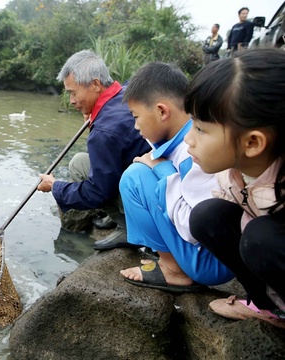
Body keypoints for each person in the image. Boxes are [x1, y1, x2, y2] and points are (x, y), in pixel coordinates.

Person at [185, 48, 285, 328]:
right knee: (207, 216)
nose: (188, 140)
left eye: (201, 129)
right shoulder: (236, 173)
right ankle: (269, 307)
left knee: (260, 238)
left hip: (269, 240)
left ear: (252, 143)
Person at [117, 62, 234, 292]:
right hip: (215, 252)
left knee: (134, 179)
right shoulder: (189, 133)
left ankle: (173, 269)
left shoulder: (194, 150)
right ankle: (173, 261)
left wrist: (161, 169)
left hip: (210, 260)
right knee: (144, 169)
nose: (136, 126)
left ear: (162, 111)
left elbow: (195, 225)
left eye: (136, 116)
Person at [37, 50, 150, 250]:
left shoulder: (105, 130)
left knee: (80, 169)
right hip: (146, 178)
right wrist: (94, 119)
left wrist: (55, 187)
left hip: (145, 191)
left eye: (73, 92)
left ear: (96, 84)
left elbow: (96, 192)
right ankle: (119, 214)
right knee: (81, 161)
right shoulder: (125, 90)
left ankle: (128, 228)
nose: (71, 100)